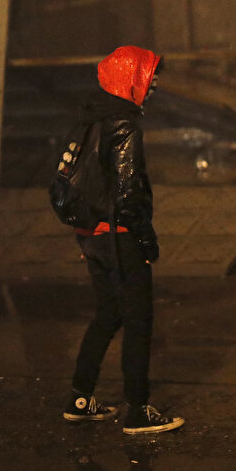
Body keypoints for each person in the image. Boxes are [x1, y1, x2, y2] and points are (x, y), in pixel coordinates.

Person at [62, 45, 184, 435]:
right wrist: (147, 243)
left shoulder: (89, 119)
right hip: (120, 236)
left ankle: (80, 399)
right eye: (150, 76)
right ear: (131, 79)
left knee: (107, 315)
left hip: (91, 235)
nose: (154, 84)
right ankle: (138, 410)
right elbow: (129, 194)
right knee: (138, 321)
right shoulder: (124, 125)